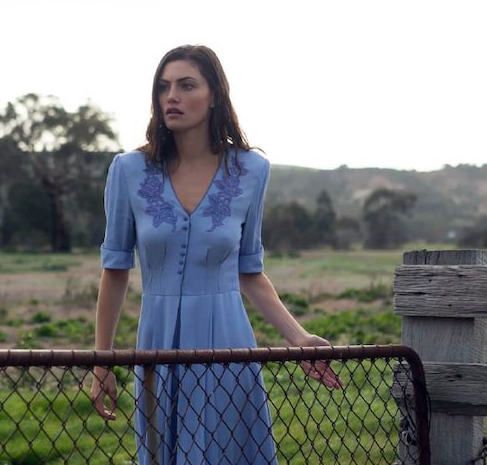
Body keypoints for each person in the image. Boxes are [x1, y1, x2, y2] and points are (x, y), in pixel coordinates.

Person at [91, 44, 342, 465]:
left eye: (187, 85)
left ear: (215, 96)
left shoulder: (252, 170)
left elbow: (250, 271)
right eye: (164, 86)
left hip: (230, 343)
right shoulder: (128, 171)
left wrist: (299, 338)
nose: (172, 96)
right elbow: (114, 270)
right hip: (156, 342)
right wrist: (102, 362)